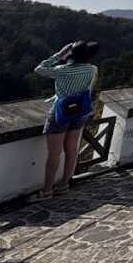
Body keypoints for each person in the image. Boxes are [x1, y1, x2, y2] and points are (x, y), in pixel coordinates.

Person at [29, 40, 99, 201]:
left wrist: (60, 53)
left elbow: (40, 69)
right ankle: (64, 185)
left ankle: (47, 191)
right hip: (80, 110)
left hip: (61, 112)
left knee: (54, 153)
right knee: (72, 149)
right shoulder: (93, 69)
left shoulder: (63, 70)